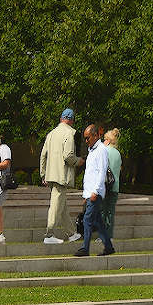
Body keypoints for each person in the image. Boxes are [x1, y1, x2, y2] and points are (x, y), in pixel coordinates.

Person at [40, 108, 82, 245]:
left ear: (61, 119)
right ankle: (49, 234)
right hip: (61, 175)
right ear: (72, 120)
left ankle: (71, 233)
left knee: (61, 205)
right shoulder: (70, 133)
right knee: (55, 205)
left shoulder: (51, 134)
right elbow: (68, 156)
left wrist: (43, 174)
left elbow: (43, 155)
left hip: (51, 174)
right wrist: (78, 161)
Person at [76, 125, 113, 256]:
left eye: (88, 138)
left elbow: (102, 172)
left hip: (95, 193)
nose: (86, 141)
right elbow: (90, 174)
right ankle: (108, 247)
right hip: (90, 193)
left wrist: (95, 191)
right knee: (98, 222)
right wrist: (86, 194)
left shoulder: (101, 150)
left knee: (87, 219)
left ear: (96, 135)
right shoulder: (91, 150)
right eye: (85, 138)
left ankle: (85, 248)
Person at [102, 128, 123, 236]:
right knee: (110, 212)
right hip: (115, 186)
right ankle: (109, 235)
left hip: (105, 186)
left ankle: (102, 235)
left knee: (103, 211)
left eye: (104, 139)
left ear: (108, 140)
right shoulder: (118, 153)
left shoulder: (104, 151)